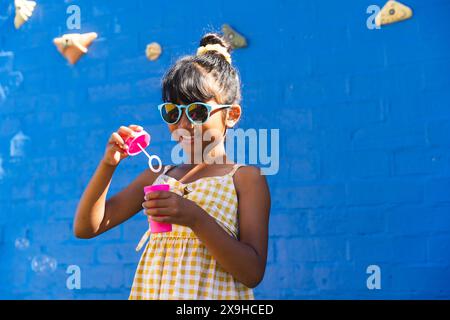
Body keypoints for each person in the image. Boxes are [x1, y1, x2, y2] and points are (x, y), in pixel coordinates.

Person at [73, 32, 271, 300]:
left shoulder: (245, 179)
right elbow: (87, 228)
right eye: (173, 112)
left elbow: (252, 272)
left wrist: (194, 218)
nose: (184, 124)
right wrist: (108, 165)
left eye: (197, 111)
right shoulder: (158, 175)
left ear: (231, 115)